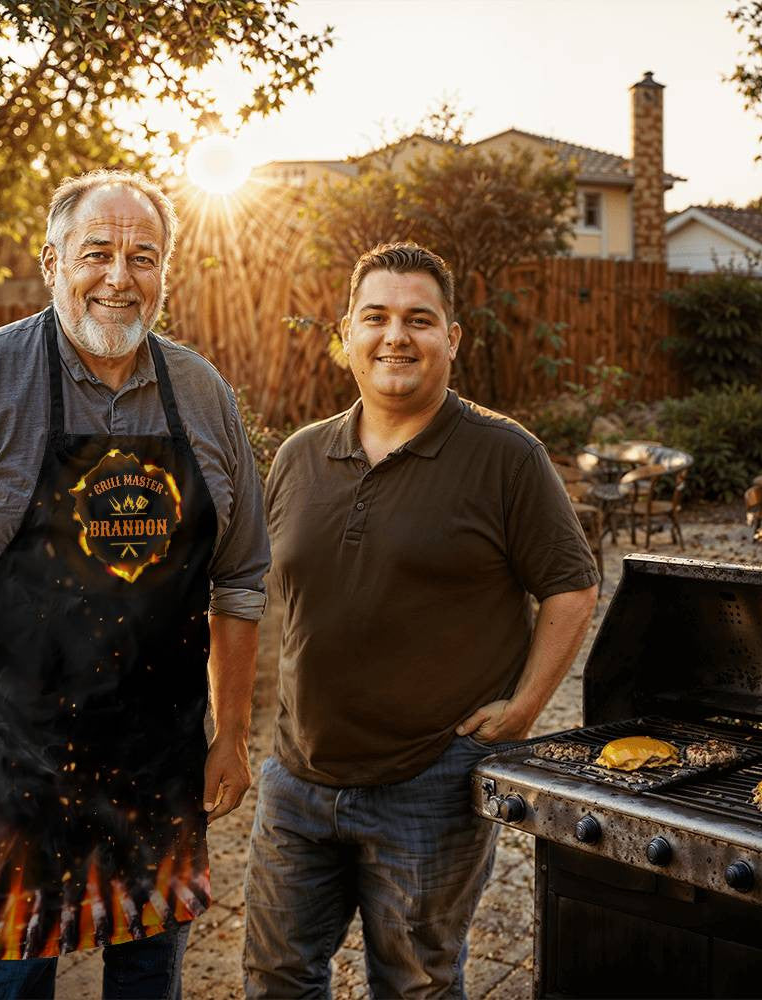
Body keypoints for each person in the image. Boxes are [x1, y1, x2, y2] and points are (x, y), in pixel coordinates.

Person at [0, 169, 270, 1000]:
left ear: (165, 274)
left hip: (159, 770)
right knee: (13, 988)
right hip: (20, 772)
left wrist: (232, 733)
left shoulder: (202, 393)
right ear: (51, 263)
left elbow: (243, 573)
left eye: (143, 257)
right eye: (98, 253)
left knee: (150, 980)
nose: (120, 278)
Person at [243, 242, 599, 999]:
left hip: (429, 783)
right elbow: (276, 597)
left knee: (415, 985)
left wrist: (526, 706)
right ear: (345, 335)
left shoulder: (505, 457)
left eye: (418, 319)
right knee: (276, 978)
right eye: (375, 317)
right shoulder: (301, 457)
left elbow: (572, 586)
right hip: (297, 778)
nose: (395, 336)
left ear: (453, 339)